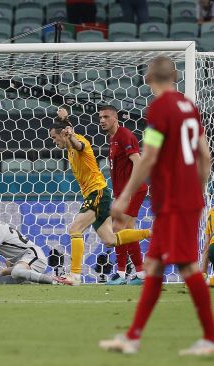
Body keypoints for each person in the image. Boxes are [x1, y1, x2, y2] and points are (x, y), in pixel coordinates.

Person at [100, 56, 214, 356]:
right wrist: (197, 191)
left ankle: (210, 338)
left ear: (149, 79)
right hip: (184, 197)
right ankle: (132, 338)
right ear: (175, 77)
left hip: (174, 198)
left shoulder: (159, 108)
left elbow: (148, 157)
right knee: (152, 266)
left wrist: (123, 198)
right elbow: (206, 156)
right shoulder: (189, 107)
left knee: (187, 265)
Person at [49, 108, 151, 285]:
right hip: (97, 193)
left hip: (98, 192)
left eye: (54, 137)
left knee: (75, 228)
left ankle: (74, 275)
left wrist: (70, 134)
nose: (53, 141)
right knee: (110, 240)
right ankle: (152, 233)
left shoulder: (78, 142)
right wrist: (64, 119)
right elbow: (68, 133)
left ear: (64, 135)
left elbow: (77, 143)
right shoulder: (70, 143)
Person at [100, 105, 146, 285]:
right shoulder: (113, 138)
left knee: (118, 228)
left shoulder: (125, 135)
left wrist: (128, 192)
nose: (102, 120)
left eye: (105, 117)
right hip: (125, 192)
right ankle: (141, 275)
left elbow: (138, 162)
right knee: (127, 231)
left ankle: (120, 273)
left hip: (132, 190)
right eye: (100, 118)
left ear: (115, 118)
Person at [202, 207, 214, 286]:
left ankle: (205, 281)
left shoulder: (210, 213)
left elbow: (206, 245)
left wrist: (203, 273)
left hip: (212, 249)